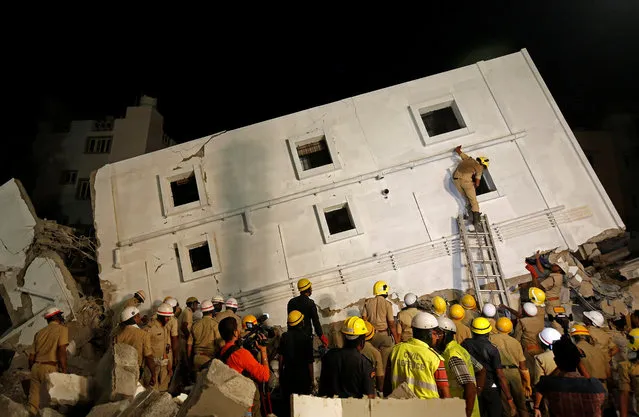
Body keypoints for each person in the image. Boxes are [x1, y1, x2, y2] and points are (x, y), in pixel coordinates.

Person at [533, 337, 605, 417]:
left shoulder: (550, 384)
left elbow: (540, 386)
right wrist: (577, 361)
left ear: (556, 361)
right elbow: (588, 379)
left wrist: (536, 407)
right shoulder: (596, 386)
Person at [385, 312, 450, 399]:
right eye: (435, 334)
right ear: (428, 334)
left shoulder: (396, 350)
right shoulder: (435, 358)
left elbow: (387, 385)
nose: (437, 337)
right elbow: (445, 394)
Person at [462, 317, 516, 417]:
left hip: (473, 386)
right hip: (491, 387)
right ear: (488, 331)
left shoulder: (465, 344)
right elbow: (500, 376)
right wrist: (509, 399)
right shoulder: (492, 349)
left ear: (473, 331)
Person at [218, 317, 270, 417]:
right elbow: (265, 376)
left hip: (230, 401)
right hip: (244, 404)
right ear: (235, 333)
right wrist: (263, 350)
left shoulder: (222, 351)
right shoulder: (241, 354)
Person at [437, 316, 484, 417]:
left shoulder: (452, 355)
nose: (434, 337)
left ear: (445, 335)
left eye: (437, 334)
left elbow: (469, 387)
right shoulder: (459, 349)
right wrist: (478, 390)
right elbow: (481, 370)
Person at [319, 316, 376, 399]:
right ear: (363, 341)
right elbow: (370, 397)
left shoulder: (329, 356)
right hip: (354, 409)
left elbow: (322, 390)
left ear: (343, 337)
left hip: (331, 408)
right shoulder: (364, 364)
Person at [27, 307, 69, 415]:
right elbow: (62, 351)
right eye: (59, 315)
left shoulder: (39, 333)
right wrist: (64, 369)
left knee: (33, 402)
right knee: (56, 400)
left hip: (36, 367)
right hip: (50, 368)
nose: (61, 317)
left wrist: (32, 369)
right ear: (56, 317)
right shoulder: (62, 329)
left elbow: (31, 357)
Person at [489, 317, 531, 417]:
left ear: (496, 326)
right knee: (521, 404)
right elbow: (522, 365)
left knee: (505, 404)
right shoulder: (515, 342)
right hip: (514, 374)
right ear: (510, 328)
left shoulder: (490, 339)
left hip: (499, 373)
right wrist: (527, 383)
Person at [278, 310, 314, 416]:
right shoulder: (306, 338)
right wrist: (312, 380)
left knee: (288, 406)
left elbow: (281, 357)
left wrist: (281, 374)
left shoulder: (284, 336)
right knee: (302, 406)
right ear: (301, 323)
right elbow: (310, 362)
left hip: (288, 375)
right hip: (303, 377)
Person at [361, 280, 400, 370]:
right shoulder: (387, 304)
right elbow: (391, 324)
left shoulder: (367, 302)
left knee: (372, 362)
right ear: (384, 291)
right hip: (384, 336)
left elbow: (364, 320)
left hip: (371, 336)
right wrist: (397, 341)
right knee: (383, 364)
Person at [115, 306, 156, 385]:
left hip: (120, 370)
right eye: (138, 316)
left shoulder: (117, 334)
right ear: (134, 318)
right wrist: (153, 374)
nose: (140, 317)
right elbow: (148, 357)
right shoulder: (143, 335)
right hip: (135, 371)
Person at [452, 144, 490, 228]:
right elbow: (477, 183)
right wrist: (474, 185)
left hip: (456, 180)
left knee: (467, 199)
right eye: (484, 166)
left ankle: (471, 215)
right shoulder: (479, 168)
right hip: (466, 182)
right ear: (482, 164)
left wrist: (458, 149)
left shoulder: (468, 159)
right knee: (474, 201)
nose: (483, 168)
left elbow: (458, 151)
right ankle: (476, 220)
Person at [287, 278, 329, 348]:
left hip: (293, 336)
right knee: (307, 356)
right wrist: (321, 336)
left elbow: (289, 321)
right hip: (306, 335)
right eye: (311, 288)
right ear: (309, 289)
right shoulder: (310, 303)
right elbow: (315, 322)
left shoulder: (291, 302)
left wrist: (288, 336)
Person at [144, 303, 173, 391]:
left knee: (164, 389)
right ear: (160, 316)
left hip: (163, 363)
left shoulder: (164, 327)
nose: (168, 319)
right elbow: (146, 350)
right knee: (153, 391)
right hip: (152, 365)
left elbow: (164, 347)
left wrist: (169, 365)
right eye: (166, 317)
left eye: (169, 317)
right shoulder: (150, 328)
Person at [514, 302, 545, 383]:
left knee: (529, 374)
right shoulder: (540, 320)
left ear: (524, 311)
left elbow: (517, 338)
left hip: (527, 351)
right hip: (540, 349)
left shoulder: (522, 321)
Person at [188, 300, 221, 370]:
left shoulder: (195, 325)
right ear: (212, 311)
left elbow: (189, 345)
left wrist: (189, 361)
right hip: (209, 359)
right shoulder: (215, 324)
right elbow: (220, 344)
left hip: (196, 358)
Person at [362, 321, 385, 392]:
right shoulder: (375, 353)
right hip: (369, 390)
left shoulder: (348, 348)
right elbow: (380, 377)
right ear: (372, 335)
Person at [162, 296, 180, 366]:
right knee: (167, 372)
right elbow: (174, 339)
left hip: (156, 348)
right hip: (167, 349)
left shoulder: (154, 316)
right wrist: (175, 356)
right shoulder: (173, 320)